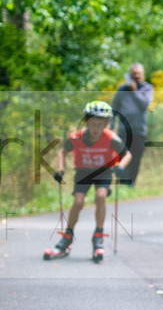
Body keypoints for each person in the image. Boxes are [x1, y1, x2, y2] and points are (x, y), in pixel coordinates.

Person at [47, 101, 131, 259]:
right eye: (93, 123)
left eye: (100, 124)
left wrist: (120, 167)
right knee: (78, 202)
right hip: (83, 171)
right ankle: (67, 238)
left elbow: (127, 155)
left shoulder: (111, 138)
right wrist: (60, 169)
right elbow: (62, 152)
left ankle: (98, 237)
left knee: (100, 197)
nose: (96, 128)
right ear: (87, 121)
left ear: (107, 123)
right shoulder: (76, 137)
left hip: (103, 172)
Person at [111, 62, 154, 185]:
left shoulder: (147, 88)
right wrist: (112, 127)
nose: (137, 75)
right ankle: (122, 184)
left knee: (135, 159)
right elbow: (114, 109)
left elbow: (145, 104)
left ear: (143, 74)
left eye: (139, 73)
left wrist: (134, 91)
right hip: (123, 131)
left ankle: (131, 184)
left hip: (139, 131)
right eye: (134, 73)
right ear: (130, 75)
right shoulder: (122, 90)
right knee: (123, 157)